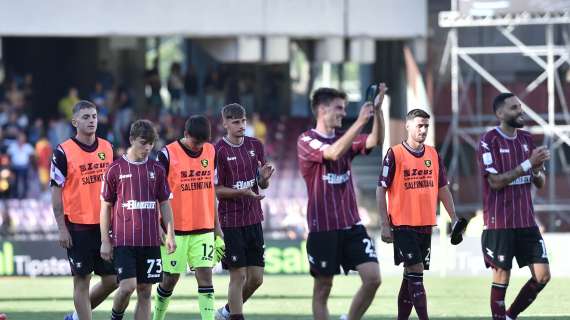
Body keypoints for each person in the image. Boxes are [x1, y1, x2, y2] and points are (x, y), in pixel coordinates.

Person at [297, 84, 385, 320]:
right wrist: (359, 122)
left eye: (345, 109)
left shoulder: (344, 138)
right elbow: (333, 153)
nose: (344, 113)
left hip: (352, 225)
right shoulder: (306, 140)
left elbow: (375, 140)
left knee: (373, 278)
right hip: (323, 227)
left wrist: (378, 111)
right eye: (339, 108)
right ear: (322, 110)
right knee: (323, 288)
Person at [377, 108, 458, 320]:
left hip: (425, 224)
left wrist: (454, 217)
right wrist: (385, 224)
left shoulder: (433, 154)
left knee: (410, 276)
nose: (423, 130)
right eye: (419, 125)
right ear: (408, 126)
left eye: (426, 126)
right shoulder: (394, 153)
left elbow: (443, 189)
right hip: (402, 224)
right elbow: (381, 188)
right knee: (417, 270)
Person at [478, 93, 551, 320]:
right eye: (513, 108)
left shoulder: (527, 139)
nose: (520, 111)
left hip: (526, 221)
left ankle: (509, 316)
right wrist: (528, 163)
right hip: (499, 222)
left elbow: (540, 183)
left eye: (520, 107)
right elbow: (495, 182)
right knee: (502, 278)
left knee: (542, 276)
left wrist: (537, 169)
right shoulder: (488, 141)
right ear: (500, 113)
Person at [100, 120, 176, 320]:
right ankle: (116, 316)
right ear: (132, 139)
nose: (148, 147)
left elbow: (165, 204)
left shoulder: (157, 169)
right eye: (143, 142)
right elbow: (106, 206)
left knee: (145, 291)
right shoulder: (115, 169)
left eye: (151, 143)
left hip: (150, 241)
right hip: (124, 241)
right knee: (127, 287)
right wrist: (105, 241)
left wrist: (170, 234)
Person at [50, 100, 117, 320]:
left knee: (112, 280)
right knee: (82, 280)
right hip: (77, 227)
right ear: (74, 121)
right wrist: (62, 228)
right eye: (86, 117)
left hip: (105, 226)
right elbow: (56, 192)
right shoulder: (63, 152)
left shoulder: (107, 148)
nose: (91, 121)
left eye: (94, 116)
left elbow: (116, 187)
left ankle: (75, 317)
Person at [153, 115, 224, 320]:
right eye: (195, 143)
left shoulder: (211, 151)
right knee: (170, 279)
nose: (198, 147)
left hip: (203, 229)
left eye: (202, 143)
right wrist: (160, 229)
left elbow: (210, 190)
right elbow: (156, 194)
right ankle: (157, 317)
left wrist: (217, 228)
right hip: (175, 231)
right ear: (185, 134)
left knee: (205, 277)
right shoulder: (167, 154)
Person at [214, 103, 275, 320]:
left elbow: (261, 184)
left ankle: (227, 312)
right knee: (238, 275)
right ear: (225, 124)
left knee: (256, 279)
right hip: (231, 221)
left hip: (253, 218)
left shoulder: (255, 145)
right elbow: (217, 190)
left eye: (243, 121)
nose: (241, 126)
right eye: (236, 122)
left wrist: (264, 180)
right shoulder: (218, 150)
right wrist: (242, 192)